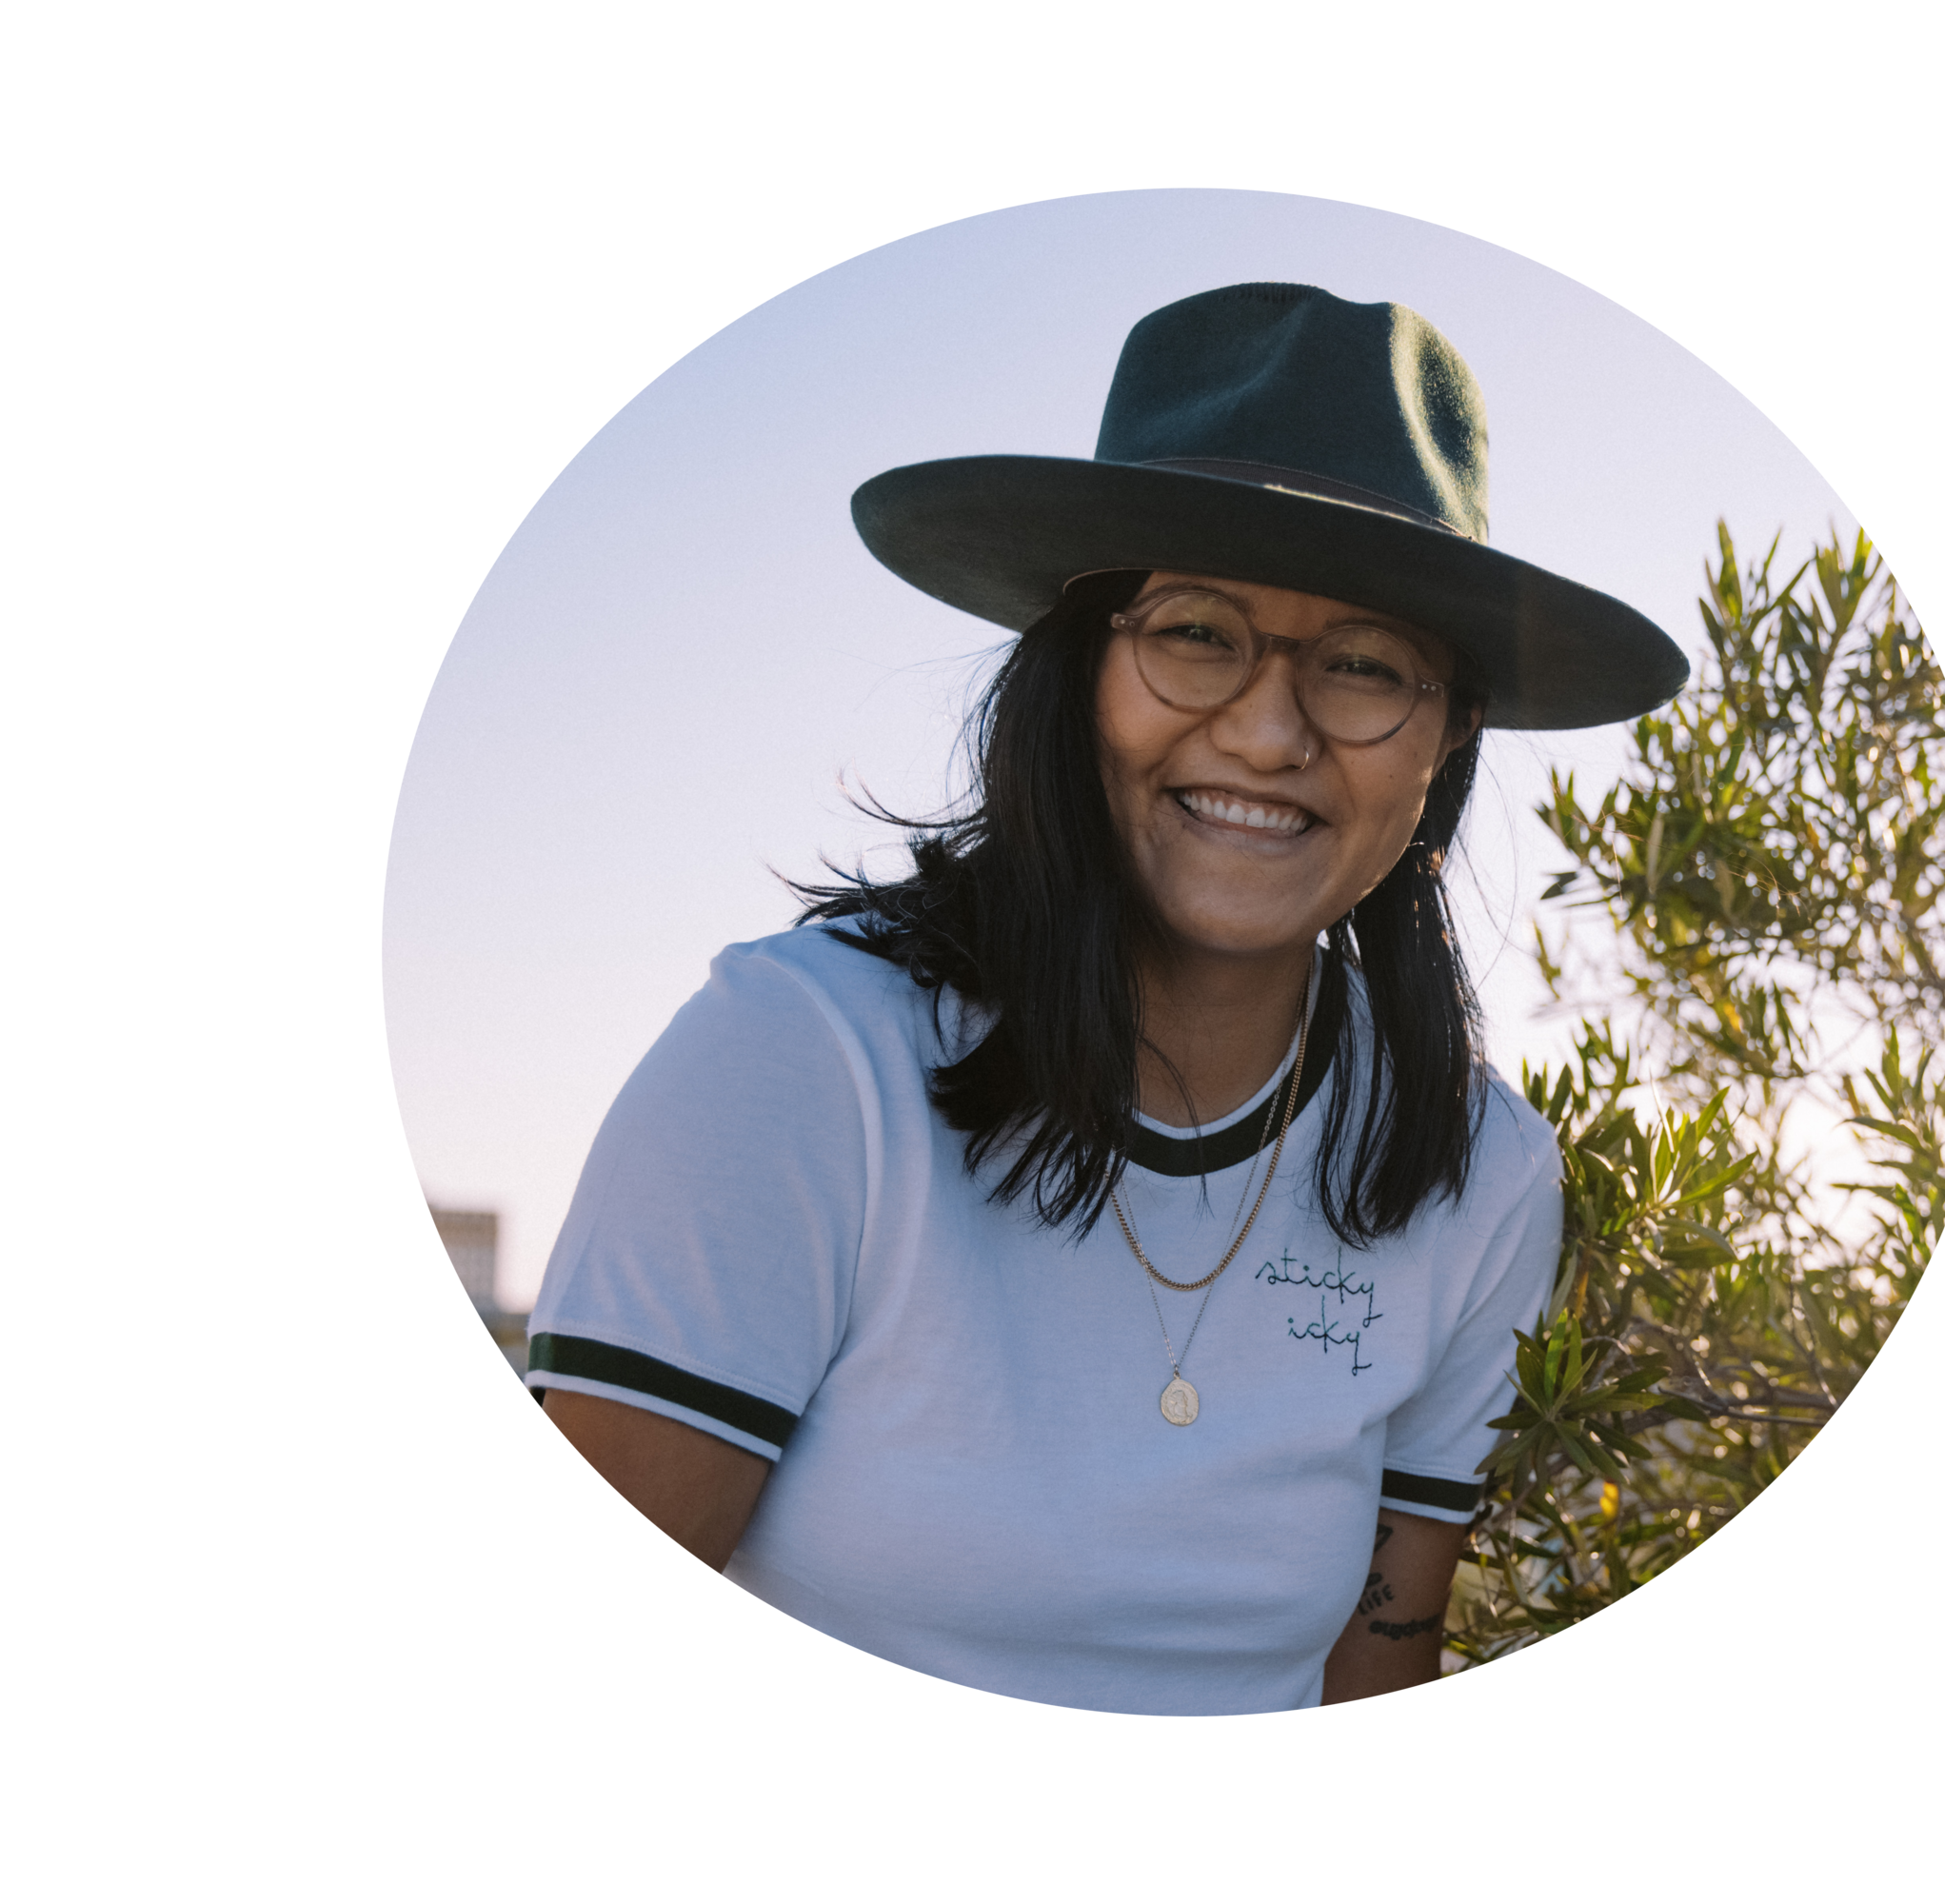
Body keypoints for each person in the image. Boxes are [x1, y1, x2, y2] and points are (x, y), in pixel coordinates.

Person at [526, 282, 1688, 1717]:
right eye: (1196, 632)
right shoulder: (803, 1064)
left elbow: (1377, 1666)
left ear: (1441, 750)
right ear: (1078, 674)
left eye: (1365, 665)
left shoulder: (1480, 1175)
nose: (1268, 733)